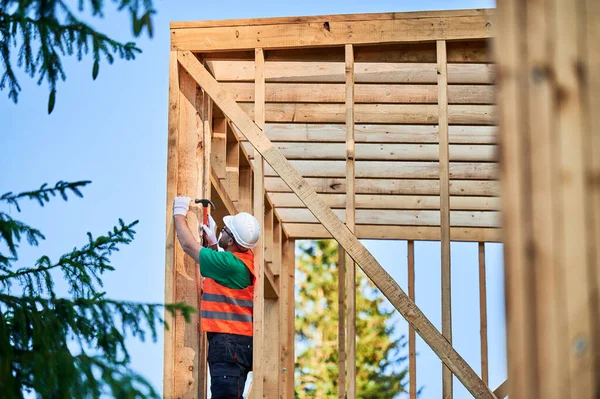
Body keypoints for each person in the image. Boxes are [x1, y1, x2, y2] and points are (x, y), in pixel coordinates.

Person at [173, 196, 260, 399]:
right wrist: (213, 243)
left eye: (225, 230)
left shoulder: (230, 264)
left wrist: (179, 213)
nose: (221, 229)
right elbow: (221, 277)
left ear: (231, 241)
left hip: (229, 342)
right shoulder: (242, 261)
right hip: (236, 342)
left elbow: (188, 246)